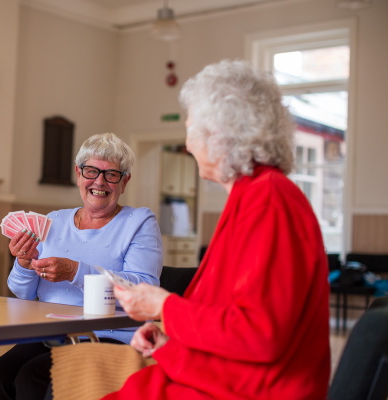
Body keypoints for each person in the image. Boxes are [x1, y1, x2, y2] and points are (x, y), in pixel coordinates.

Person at [52, 60, 331, 400]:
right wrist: (168, 344)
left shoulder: (268, 200)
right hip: (223, 379)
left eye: (191, 127)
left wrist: (163, 305)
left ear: (220, 134)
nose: (187, 144)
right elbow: (231, 323)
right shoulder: (254, 195)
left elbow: (260, 336)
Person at [0, 132, 163, 400]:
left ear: (125, 182)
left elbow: (144, 288)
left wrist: (75, 271)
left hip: (108, 335)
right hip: (49, 332)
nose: (99, 182)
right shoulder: (54, 220)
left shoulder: (140, 222)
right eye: (91, 171)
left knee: (34, 378)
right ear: (78, 174)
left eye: (111, 174)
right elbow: (23, 293)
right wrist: (23, 263)